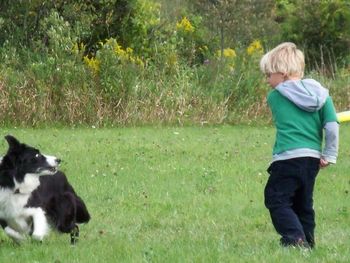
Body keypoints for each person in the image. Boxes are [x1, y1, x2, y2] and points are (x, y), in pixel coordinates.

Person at [259, 42, 339, 249]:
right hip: (312, 158)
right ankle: (308, 243)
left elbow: (287, 93)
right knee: (303, 203)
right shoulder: (323, 96)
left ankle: (294, 239)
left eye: (269, 74)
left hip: (287, 158)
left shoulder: (275, 96)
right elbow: (331, 126)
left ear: (283, 74)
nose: (267, 80)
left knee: (277, 199)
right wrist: (329, 154)